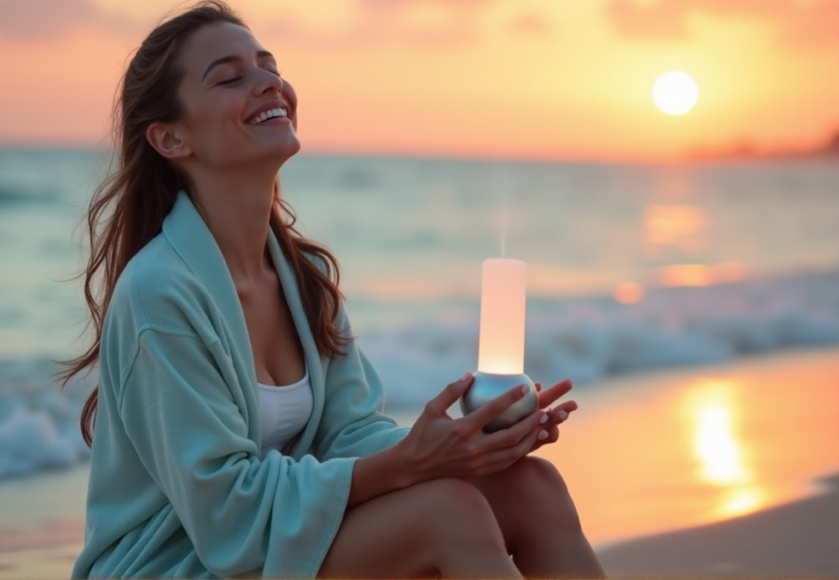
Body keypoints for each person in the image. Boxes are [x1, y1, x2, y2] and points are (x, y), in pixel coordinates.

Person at [61, 1, 606, 578]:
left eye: (268, 66)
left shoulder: (301, 279)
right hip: (182, 564)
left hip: (273, 549)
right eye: (231, 76)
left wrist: (464, 443)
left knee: (530, 485)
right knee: (448, 512)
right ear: (171, 138)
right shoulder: (158, 294)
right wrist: (412, 463)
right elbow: (227, 514)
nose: (268, 82)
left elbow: (348, 433)